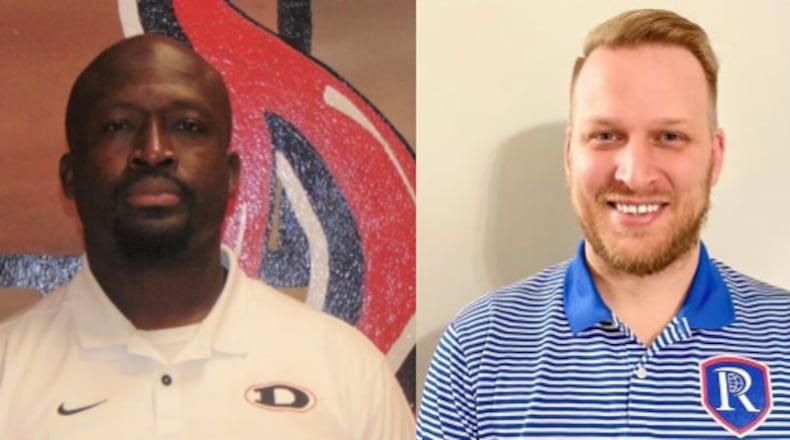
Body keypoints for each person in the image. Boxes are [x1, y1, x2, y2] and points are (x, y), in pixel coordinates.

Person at [0, 34, 414, 438]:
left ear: (231, 176)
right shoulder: (9, 370)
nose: (154, 150)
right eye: (118, 125)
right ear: (71, 178)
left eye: (187, 125)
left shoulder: (345, 371)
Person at [418, 9, 790, 439]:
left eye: (670, 137)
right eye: (606, 135)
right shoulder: (478, 349)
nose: (634, 174)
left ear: (716, 156)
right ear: (570, 155)